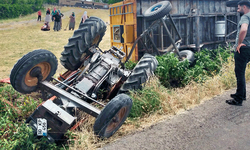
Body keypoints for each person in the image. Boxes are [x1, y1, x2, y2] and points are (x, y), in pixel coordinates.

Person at [226, 0, 250, 106]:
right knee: (241, 71)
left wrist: (239, 43)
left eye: (239, 7)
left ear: (244, 7)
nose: (237, 9)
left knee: (239, 72)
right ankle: (242, 94)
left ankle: (238, 98)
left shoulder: (245, 17)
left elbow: (243, 30)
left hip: (243, 49)